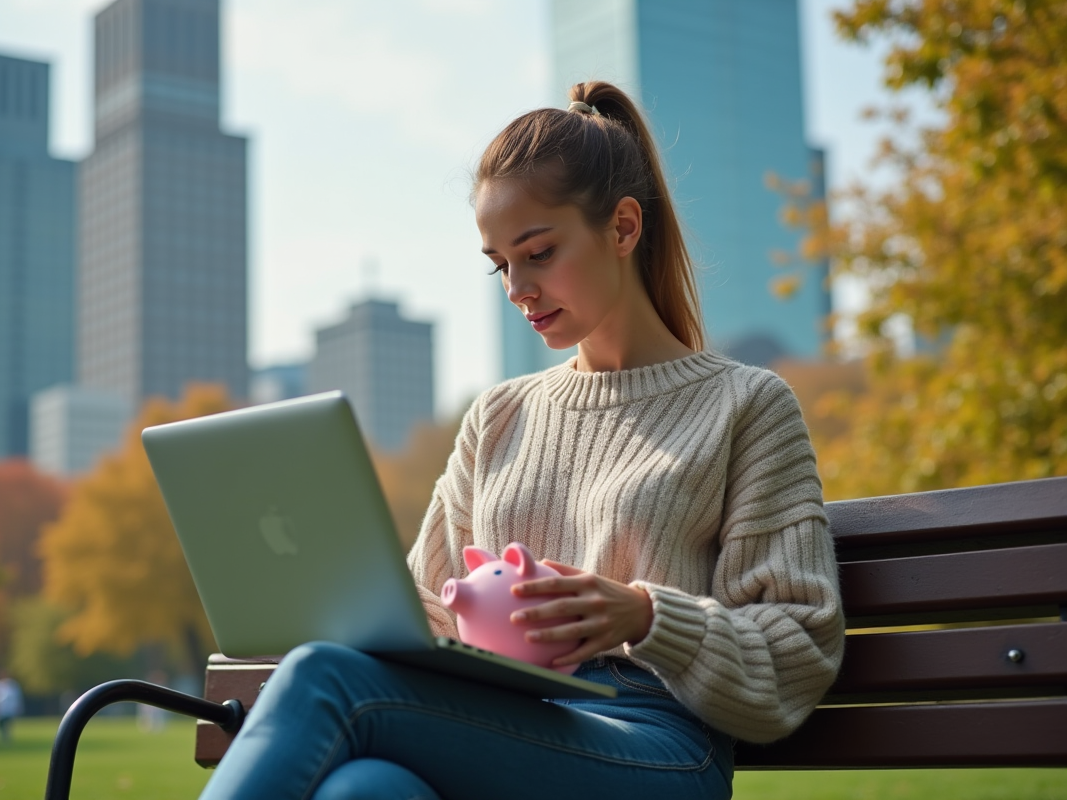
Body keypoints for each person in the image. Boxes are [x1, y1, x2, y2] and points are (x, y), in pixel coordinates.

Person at [199, 81, 844, 800]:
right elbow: (425, 608)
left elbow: (797, 655)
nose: (516, 287)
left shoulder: (746, 405)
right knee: (368, 791)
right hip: (507, 724)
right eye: (500, 264)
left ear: (624, 228)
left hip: (659, 748)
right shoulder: (498, 416)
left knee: (326, 679)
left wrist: (647, 614)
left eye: (537, 253)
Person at [0, 670, 24, 744]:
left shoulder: (13, 686)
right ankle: (1, 738)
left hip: (9, 709)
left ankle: (7, 738)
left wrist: (18, 707)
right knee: (0, 724)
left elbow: (17, 698)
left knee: (8, 724)